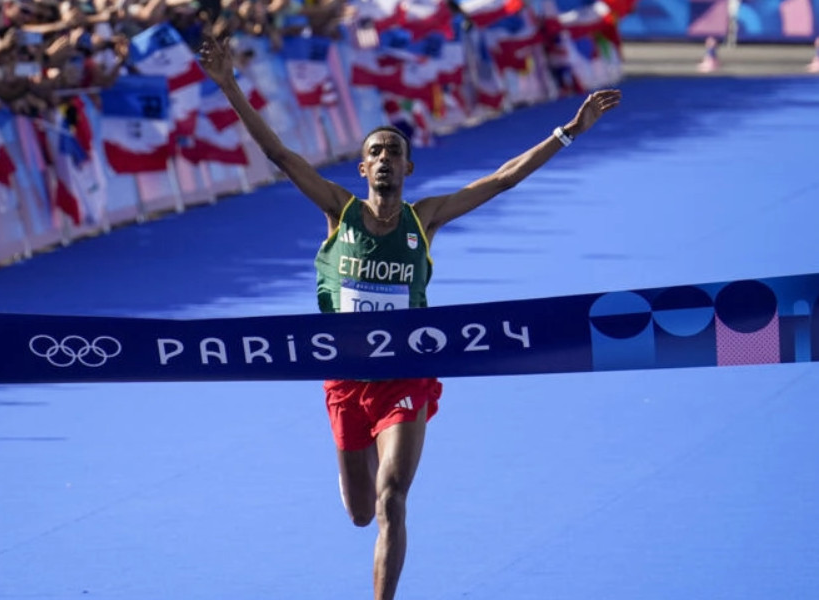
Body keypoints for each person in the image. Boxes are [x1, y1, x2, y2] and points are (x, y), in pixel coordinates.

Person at [199, 34, 621, 600]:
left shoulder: (425, 219)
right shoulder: (337, 210)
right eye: (374, 151)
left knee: (391, 497)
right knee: (357, 512)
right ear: (362, 166)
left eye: (392, 152)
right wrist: (229, 84)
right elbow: (280, 154)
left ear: (407, 167)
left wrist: (567, 132)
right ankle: (359, 459)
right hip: (347, 379)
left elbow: (501, 179)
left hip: (405, 375)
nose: (383, 159)